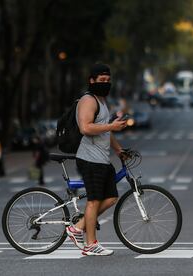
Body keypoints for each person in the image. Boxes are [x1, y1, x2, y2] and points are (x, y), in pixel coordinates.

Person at [66, 63, 127, 256]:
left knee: (111, 198)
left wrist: (119, 150)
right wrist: (111, 127)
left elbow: (104, 130)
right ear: (91, 81)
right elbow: (86, 128)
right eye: (101, 81)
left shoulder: (101, 101)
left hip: (101, 159)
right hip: (89, 159)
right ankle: (90, 244)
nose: (106, 84)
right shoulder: (88, 100)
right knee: (93, 201)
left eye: (108, 81)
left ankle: (77, 227)